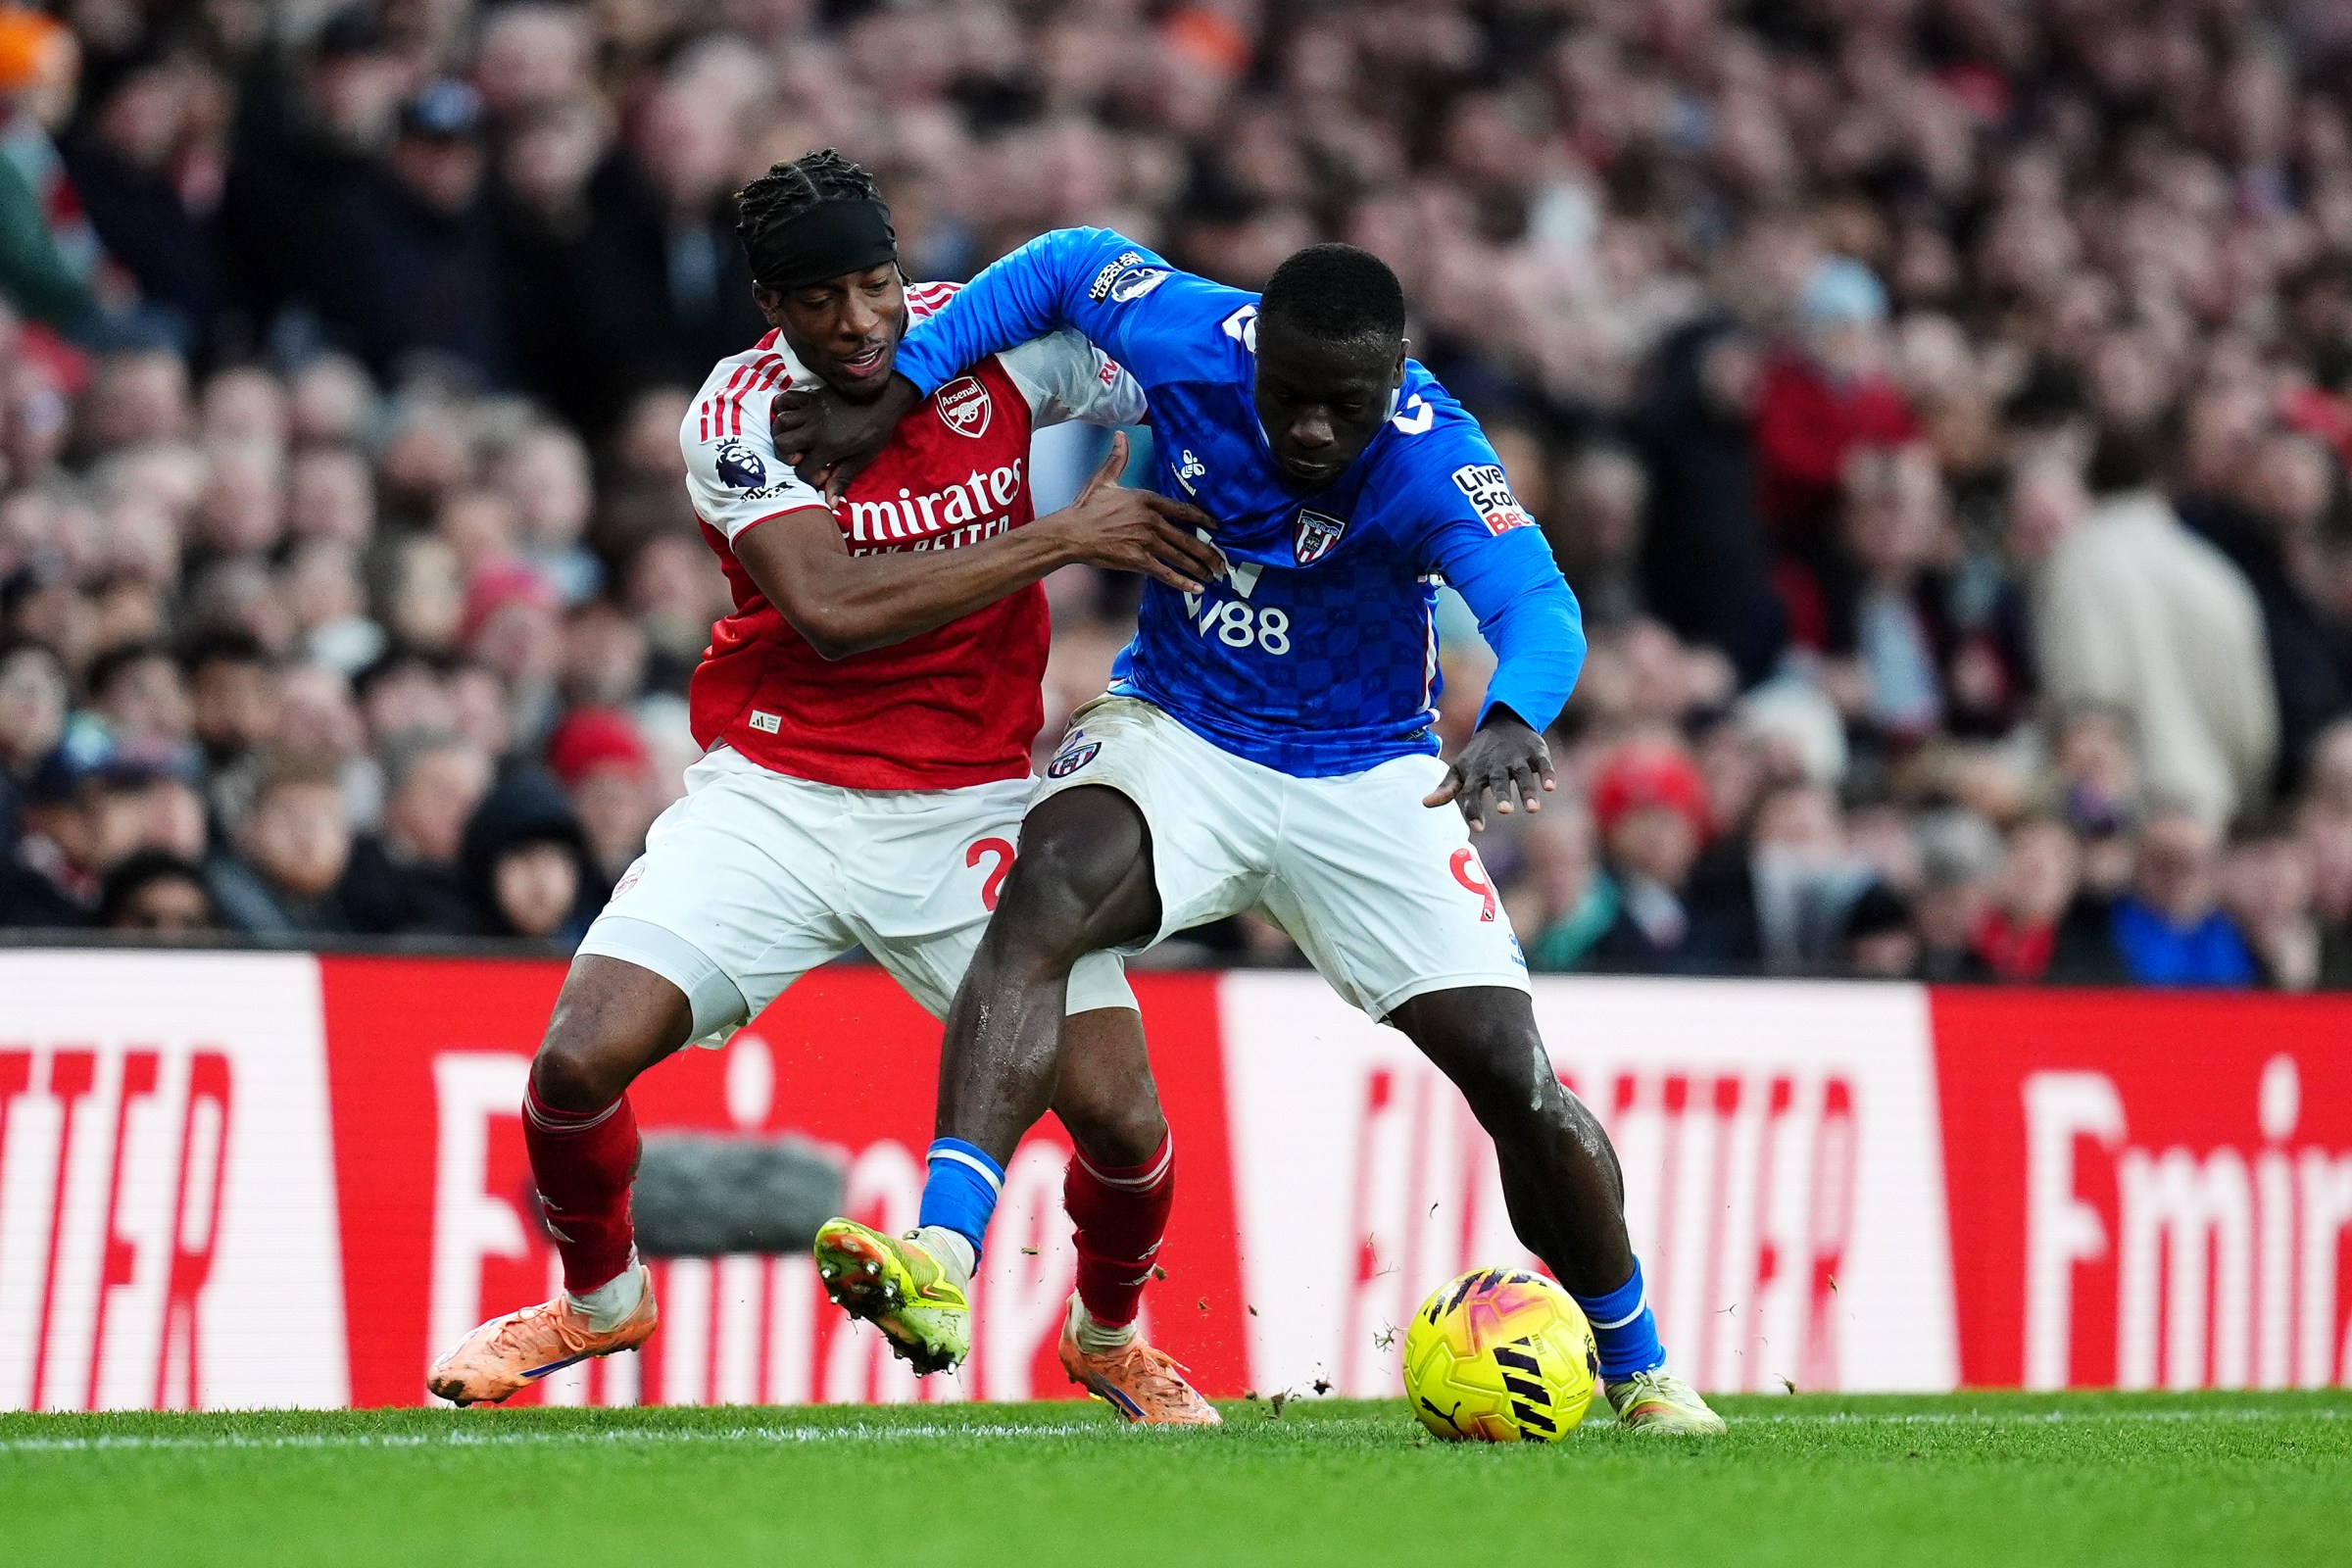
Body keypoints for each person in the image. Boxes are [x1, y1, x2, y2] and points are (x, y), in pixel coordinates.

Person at [781, 227, 1724, 1434]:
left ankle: (1638, 1364)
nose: (1314, 431)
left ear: (1394, 381)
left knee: (1514, 1077)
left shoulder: (1437, 460)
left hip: (1368, 777)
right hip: (1182, 732)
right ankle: (946, 1252)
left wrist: (1510, 714)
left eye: (1346, 407)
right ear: (1256, 357)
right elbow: (1064, 264)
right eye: (1290, 399)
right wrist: (904, 386)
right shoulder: (1191, 337)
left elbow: (1537, 603)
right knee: (1043, 889)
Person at [425, 153, 1230, 1424]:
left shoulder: (1002, 347)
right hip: (779, 794)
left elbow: (1199, 370)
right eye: (822, 300)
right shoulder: (735, 414)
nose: (859, 322)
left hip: (969, 803)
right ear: (769, 303)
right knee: (574, 1063)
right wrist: (1067, 535)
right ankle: (596, 1299)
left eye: (877, 284)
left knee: (1128, 1129)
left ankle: (1107, 1333)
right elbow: (837, 611)